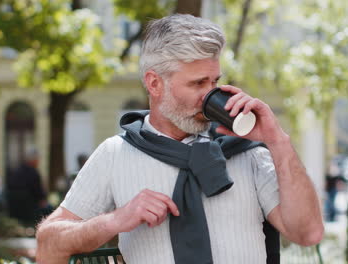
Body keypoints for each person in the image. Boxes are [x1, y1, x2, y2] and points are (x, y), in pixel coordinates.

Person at [36, 14, 324, 264]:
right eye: (198, 83)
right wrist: (114, 220)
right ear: (154, 83)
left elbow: (308, 233)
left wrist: (277, 141)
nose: (210, 94)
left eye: (214, 82)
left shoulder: (246, 152)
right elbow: (48, 246)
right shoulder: (115, 155)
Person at [6, 149, 50, 226]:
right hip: (30, 208)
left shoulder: (17, 170)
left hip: (14, 208)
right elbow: (39, 194)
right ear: (34, 160)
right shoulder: (34, 173)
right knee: (50, 209)